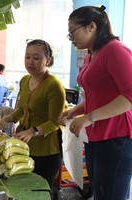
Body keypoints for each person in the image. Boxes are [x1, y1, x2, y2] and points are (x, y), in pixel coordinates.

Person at [60, 5, 132, 200]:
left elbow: (130, 95)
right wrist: (76, 111)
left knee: (110, 194)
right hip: (96, 135)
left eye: (72, 31)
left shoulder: (115, 50)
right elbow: (96, 94)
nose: (71, 38)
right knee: (100, 192)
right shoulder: (92, 55)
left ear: (91, 26)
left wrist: (89, 118)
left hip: (116, 136)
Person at [0, 39, 66, 190]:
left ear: (47, 60)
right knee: (23, 188)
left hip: (47, 150)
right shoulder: (25, 81)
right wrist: (4, 120)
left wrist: (33, 131)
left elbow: (55, 121)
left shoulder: (54, 85)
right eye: (27, 57)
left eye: (36, 58)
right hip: (24, 147)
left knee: (40, 191)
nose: (30, 61)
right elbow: (22, 109)